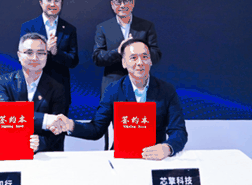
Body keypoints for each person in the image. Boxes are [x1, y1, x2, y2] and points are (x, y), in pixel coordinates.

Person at [50, 39, 187, 160]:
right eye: (133, 58)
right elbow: (97, 129)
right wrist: (71, 125)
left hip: (156, 158)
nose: (140, 62)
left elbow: (178, 131)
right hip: (123, 158)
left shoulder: (166, 90)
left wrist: (167, 148)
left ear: (150, 61)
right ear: (124, 63)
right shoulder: (113, 90)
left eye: (144, 57)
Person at [0, 33, 67, 153]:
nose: (35, 58)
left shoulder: (57, 88)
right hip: (7, 146)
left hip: (43, 152)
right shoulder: (3, 82)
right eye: (29, 52)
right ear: (19, 55)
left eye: (41, 53)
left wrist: (39, 143)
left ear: (46, 56)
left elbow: (58, 129)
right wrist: (45, 120)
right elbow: (4, 116)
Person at [93, 0, 161, 98]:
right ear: (112, 5)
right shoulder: (103, 28)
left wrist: (140, 53)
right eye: (118, 2)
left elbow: (156, 55)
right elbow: (97, 58)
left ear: (133, 3)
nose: (122, 5)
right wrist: (118, 51)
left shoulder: (146, 26)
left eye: (126, 1)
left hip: (141, 86)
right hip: (112, 86)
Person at [20, 0, 79, 114]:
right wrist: (43, 50)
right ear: (41, 3)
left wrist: (56, 52)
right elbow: (24, 57)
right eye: (49, 0)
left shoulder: (69, 29)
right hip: (34, 89)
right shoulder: (29, 27)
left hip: (60, 90)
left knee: (58, 125)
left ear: (61, 4)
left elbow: (73, 61)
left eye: (56, 1)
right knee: (34, 125)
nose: (53, 4)